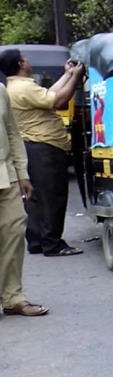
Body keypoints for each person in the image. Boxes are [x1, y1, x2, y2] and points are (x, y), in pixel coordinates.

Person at [0, 49, 85, 257]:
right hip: (44, 146)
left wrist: (66, 74)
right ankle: (53, 243)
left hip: (32, 146)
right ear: (21, 64)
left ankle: (37, 240)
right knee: (52, 196)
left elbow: (50, 95)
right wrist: (75, 77)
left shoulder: (17, 87)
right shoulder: (24, 88)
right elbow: (58, 102)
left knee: (36, 197)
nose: (29, 62)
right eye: (26, 59)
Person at [0, 79, 48, 316]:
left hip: (5, 174)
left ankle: (12, 297)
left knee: (14, 231)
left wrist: (22, 173)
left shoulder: (0, 91)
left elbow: (12, 132)